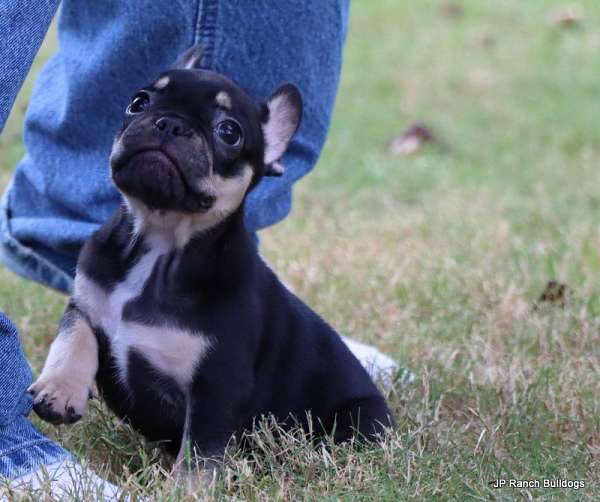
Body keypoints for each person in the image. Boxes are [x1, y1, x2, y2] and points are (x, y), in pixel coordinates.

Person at [0, 0, 404, 497]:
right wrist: (66, 371)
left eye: (226, 132)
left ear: (268, 158)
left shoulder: (225, 297)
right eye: (145, 106)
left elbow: (219, 393)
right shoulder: (100, 258)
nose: (169, 130)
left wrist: (194, 482)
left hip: (331, 414)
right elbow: (82, 311)